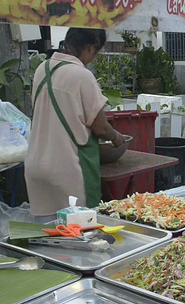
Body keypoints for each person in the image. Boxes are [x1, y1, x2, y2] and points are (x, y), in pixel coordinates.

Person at [25, 28, 125, 221]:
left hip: (35, 167)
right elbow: (100, 127)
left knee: (47, 235)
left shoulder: (42, 69)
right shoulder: (81, 75)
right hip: (67, 170)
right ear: (90, 48)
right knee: (78, 234)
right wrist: (116, 137)